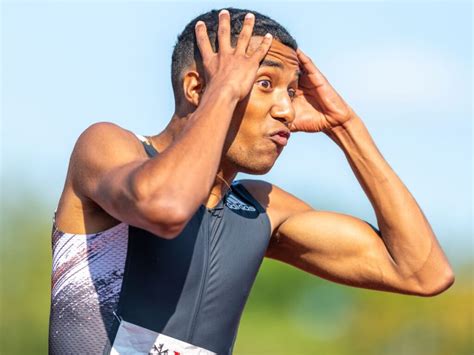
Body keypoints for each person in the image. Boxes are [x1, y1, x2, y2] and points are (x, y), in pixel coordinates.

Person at [48, 7, 455, 354]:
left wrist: (346, 127)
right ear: (197, 87)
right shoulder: (109, 147)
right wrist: (223, 91)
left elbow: (423, 273)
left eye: (292, 92)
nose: (286, 110)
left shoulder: (261, 210)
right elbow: (166, 209)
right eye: (265, 84)